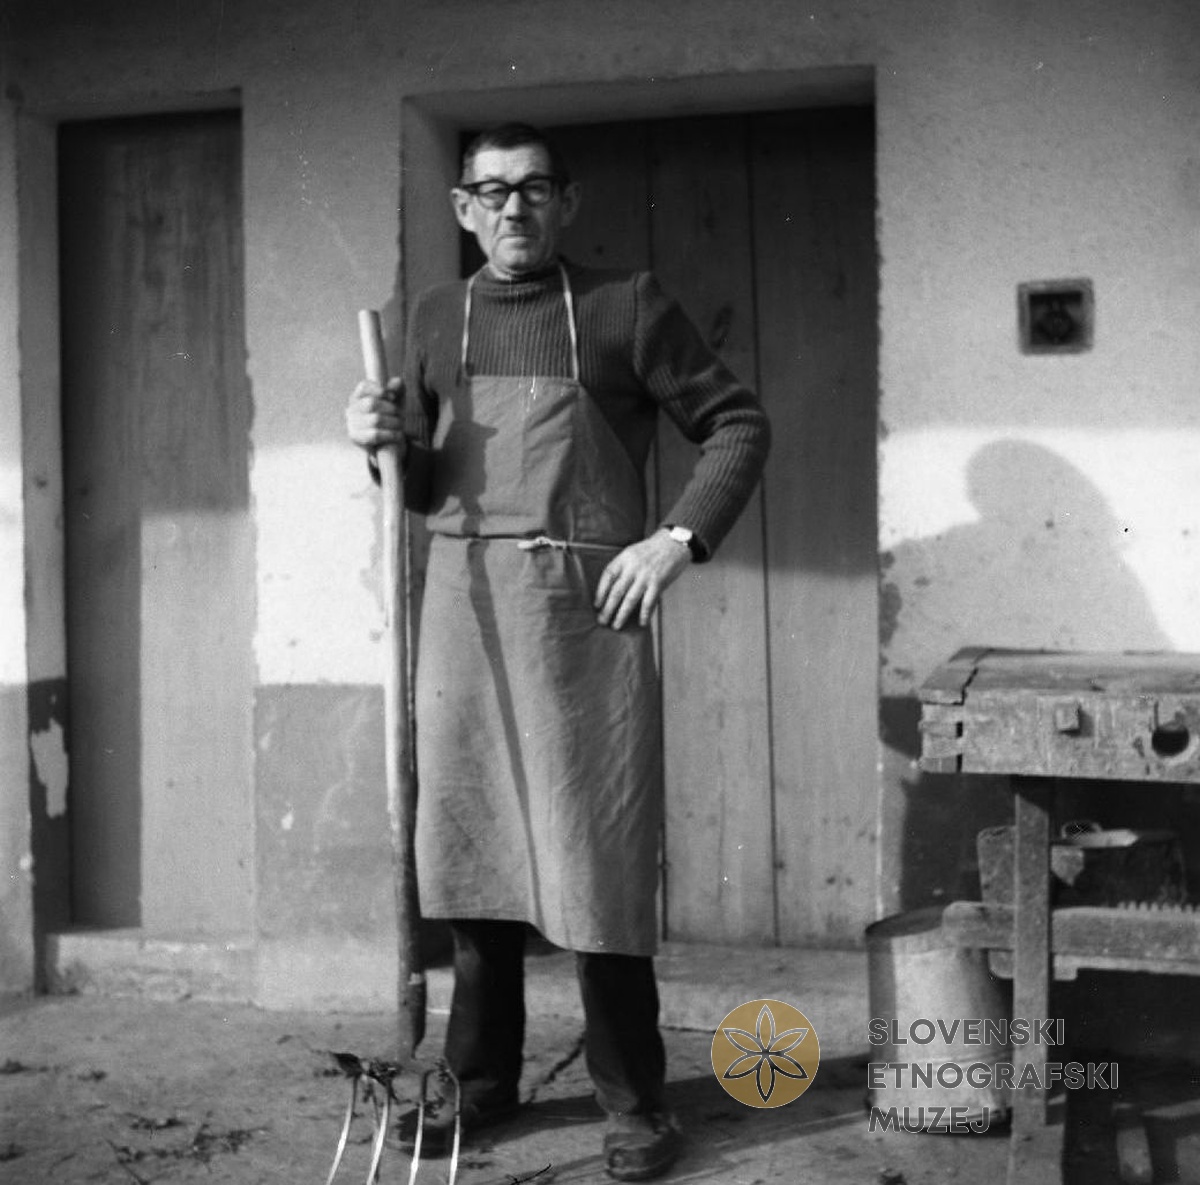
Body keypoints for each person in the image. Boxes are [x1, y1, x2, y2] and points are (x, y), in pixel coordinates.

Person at [345, 121, 770, 1181]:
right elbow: (421, 485)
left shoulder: (628, 306)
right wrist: (377, 444)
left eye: (534, 188)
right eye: (490, 191)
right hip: (466, 614)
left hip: (584, 617)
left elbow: (738, 424)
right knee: (473, 854)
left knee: (596, 859)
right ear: (462, 209)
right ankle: (480, 1085)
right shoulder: (433, 317)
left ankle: (634, 1103)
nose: (513, 208)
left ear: (567, 202)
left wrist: (675, 540)